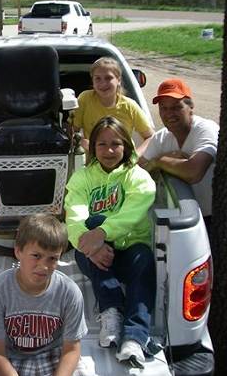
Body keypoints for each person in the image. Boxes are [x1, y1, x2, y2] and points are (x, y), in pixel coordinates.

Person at [65, 116, 156, 367]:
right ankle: (111, 312)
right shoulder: (81, 178)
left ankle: (135, 338)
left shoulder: (138, 177)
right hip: (92, 253)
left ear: (126, 146)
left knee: (144, 258)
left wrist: (101, 233)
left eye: (115, 144)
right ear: (92, 147)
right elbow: (74, 217)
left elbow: (133, 214)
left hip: (130, 250)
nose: (109, 150)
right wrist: (91, 246)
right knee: (90, 223)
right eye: (101, 144)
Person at [0, 214, 88, 376]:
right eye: (36, 256)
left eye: (52, 258)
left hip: (56, 355)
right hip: (12, 358)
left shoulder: (70, 293)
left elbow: (71, 350)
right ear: (18, 251)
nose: (44, 266)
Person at [139, 78, 218, 230]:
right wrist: (158, 161)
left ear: (191, 107)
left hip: (213, 218)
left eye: (176, 107)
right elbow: (137, 172)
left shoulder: (206, 130)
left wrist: (160, 162)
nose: (169, 114)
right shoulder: (161, 137)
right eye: (164, 108)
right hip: (178, 219)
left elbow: (194, 172)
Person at [72, 57, 154, 155]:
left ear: (118, 80)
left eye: (108, 78)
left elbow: (151, 137)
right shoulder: (85, 99)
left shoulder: (129, 106)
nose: (103, 83)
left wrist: (135, 156)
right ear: (92, 81)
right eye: (98, 78)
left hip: (123, 162)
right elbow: (72, 131)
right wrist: (81, 142)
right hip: (93, 163)